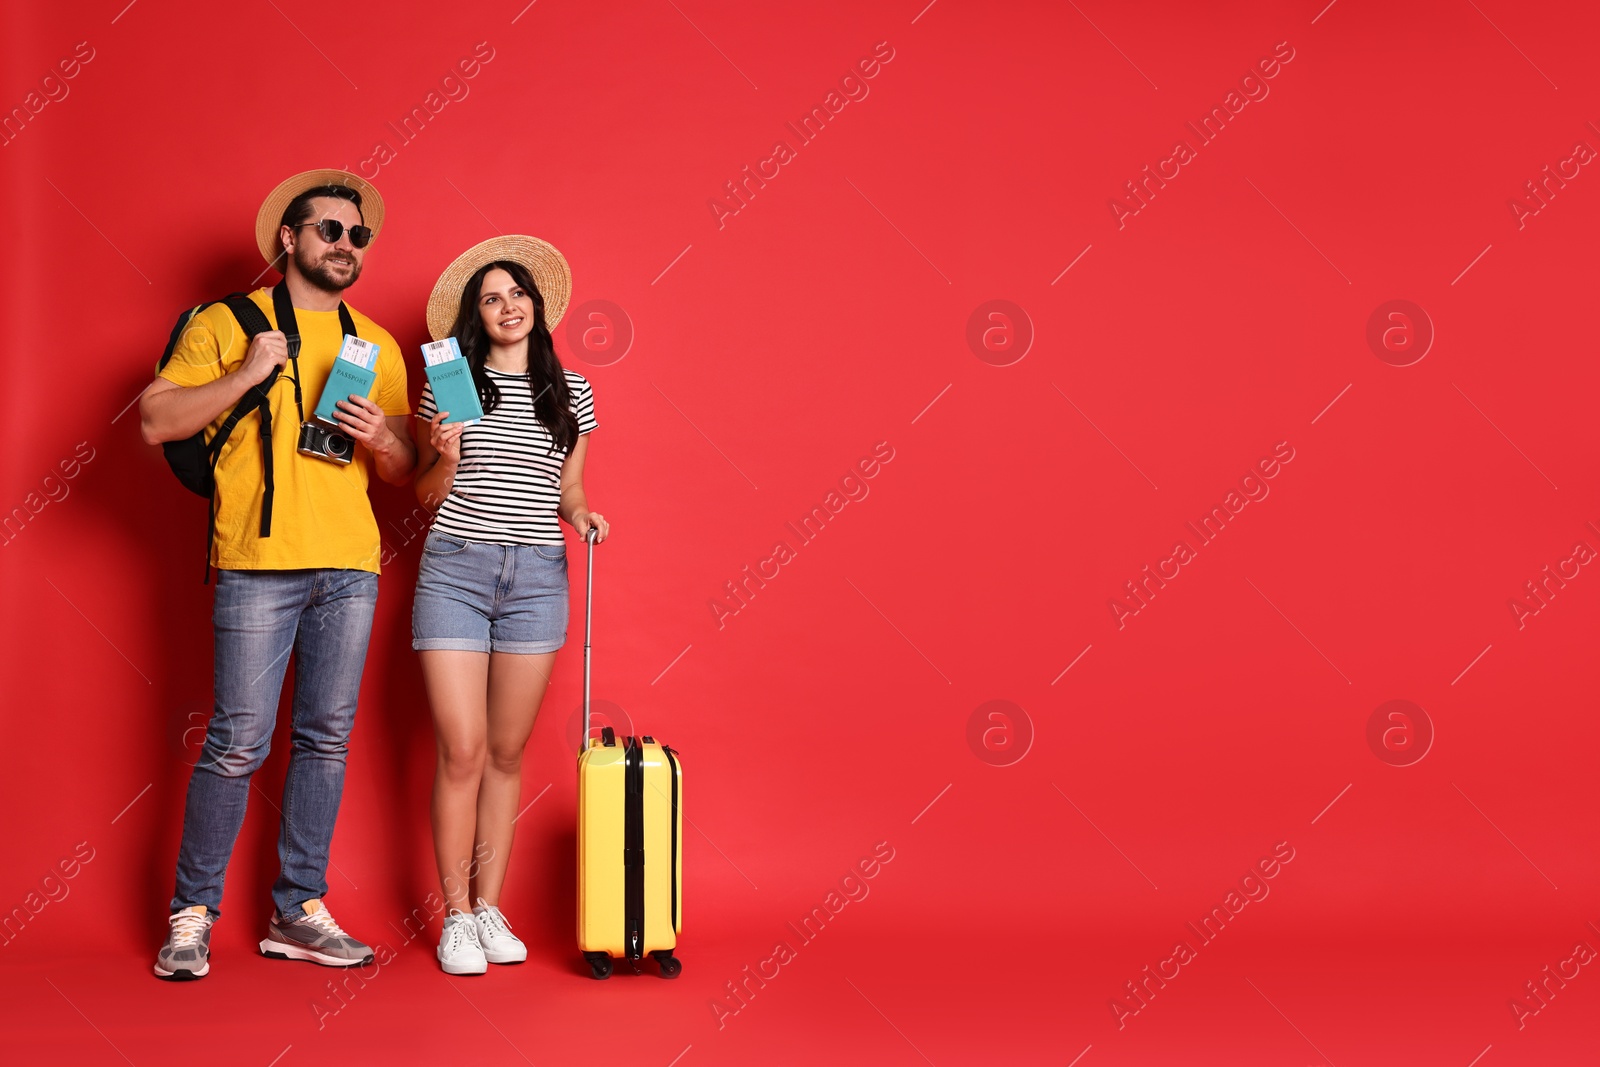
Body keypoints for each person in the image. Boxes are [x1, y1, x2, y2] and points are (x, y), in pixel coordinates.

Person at [138, 169, 417, 980]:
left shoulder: (377, 343)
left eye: (358, 235)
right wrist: (245, 375)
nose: (346, 245)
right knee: (236, 741)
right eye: (330, 230)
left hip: (349, 565)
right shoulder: (230, 322)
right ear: (288, 240)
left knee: (325, 742)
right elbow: (155, 418)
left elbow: (400, 468)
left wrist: (382, 437)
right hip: (258, 564)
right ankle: (191, 913)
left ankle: (298, 909)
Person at [411, 235, 607, 974]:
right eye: (491, 298)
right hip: (455, 569)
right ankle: (454, 915)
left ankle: (489, 906)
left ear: (537, 303)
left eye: (516, 293)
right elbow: (424, 495)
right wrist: (449, 453)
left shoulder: (573, 392)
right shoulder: (451, 381)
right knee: (460, 748)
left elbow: (571, 490)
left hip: (537, 577)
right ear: (475, 315)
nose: (507, 306)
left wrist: (585, 516)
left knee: (505, 751)